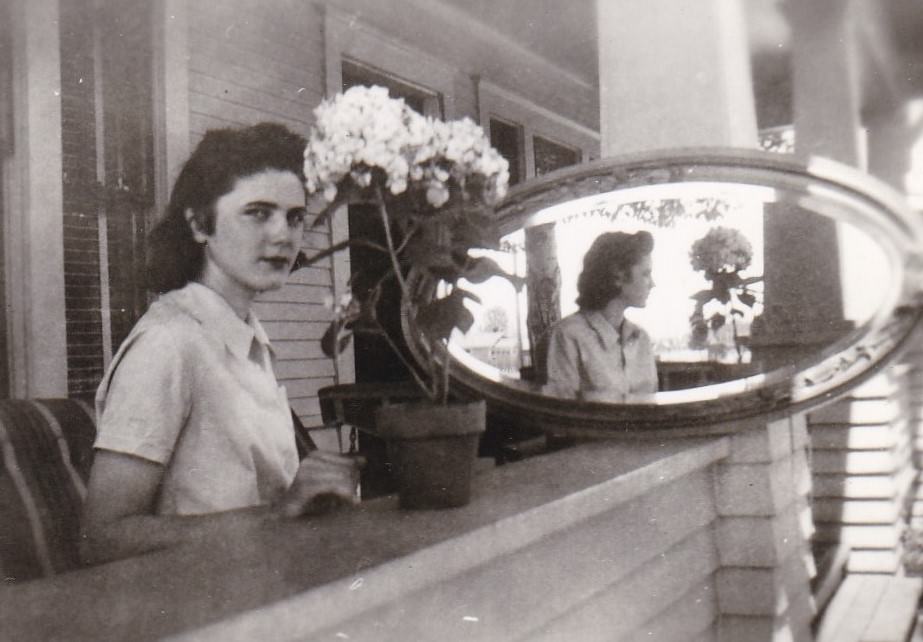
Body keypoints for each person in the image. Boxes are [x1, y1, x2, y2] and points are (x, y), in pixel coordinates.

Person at [81, 123, 362, 565]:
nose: (283, 236)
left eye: (294, 217)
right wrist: (281, 511)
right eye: (258, 213)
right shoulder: (169, 342)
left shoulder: (244, 339)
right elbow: (103, 537)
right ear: (199, 224)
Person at [545, 231, 658, 401]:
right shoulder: (569, 334)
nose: (652, 284)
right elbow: (561, 413)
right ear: (617, 276)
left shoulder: (641, 338)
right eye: (645, 274)